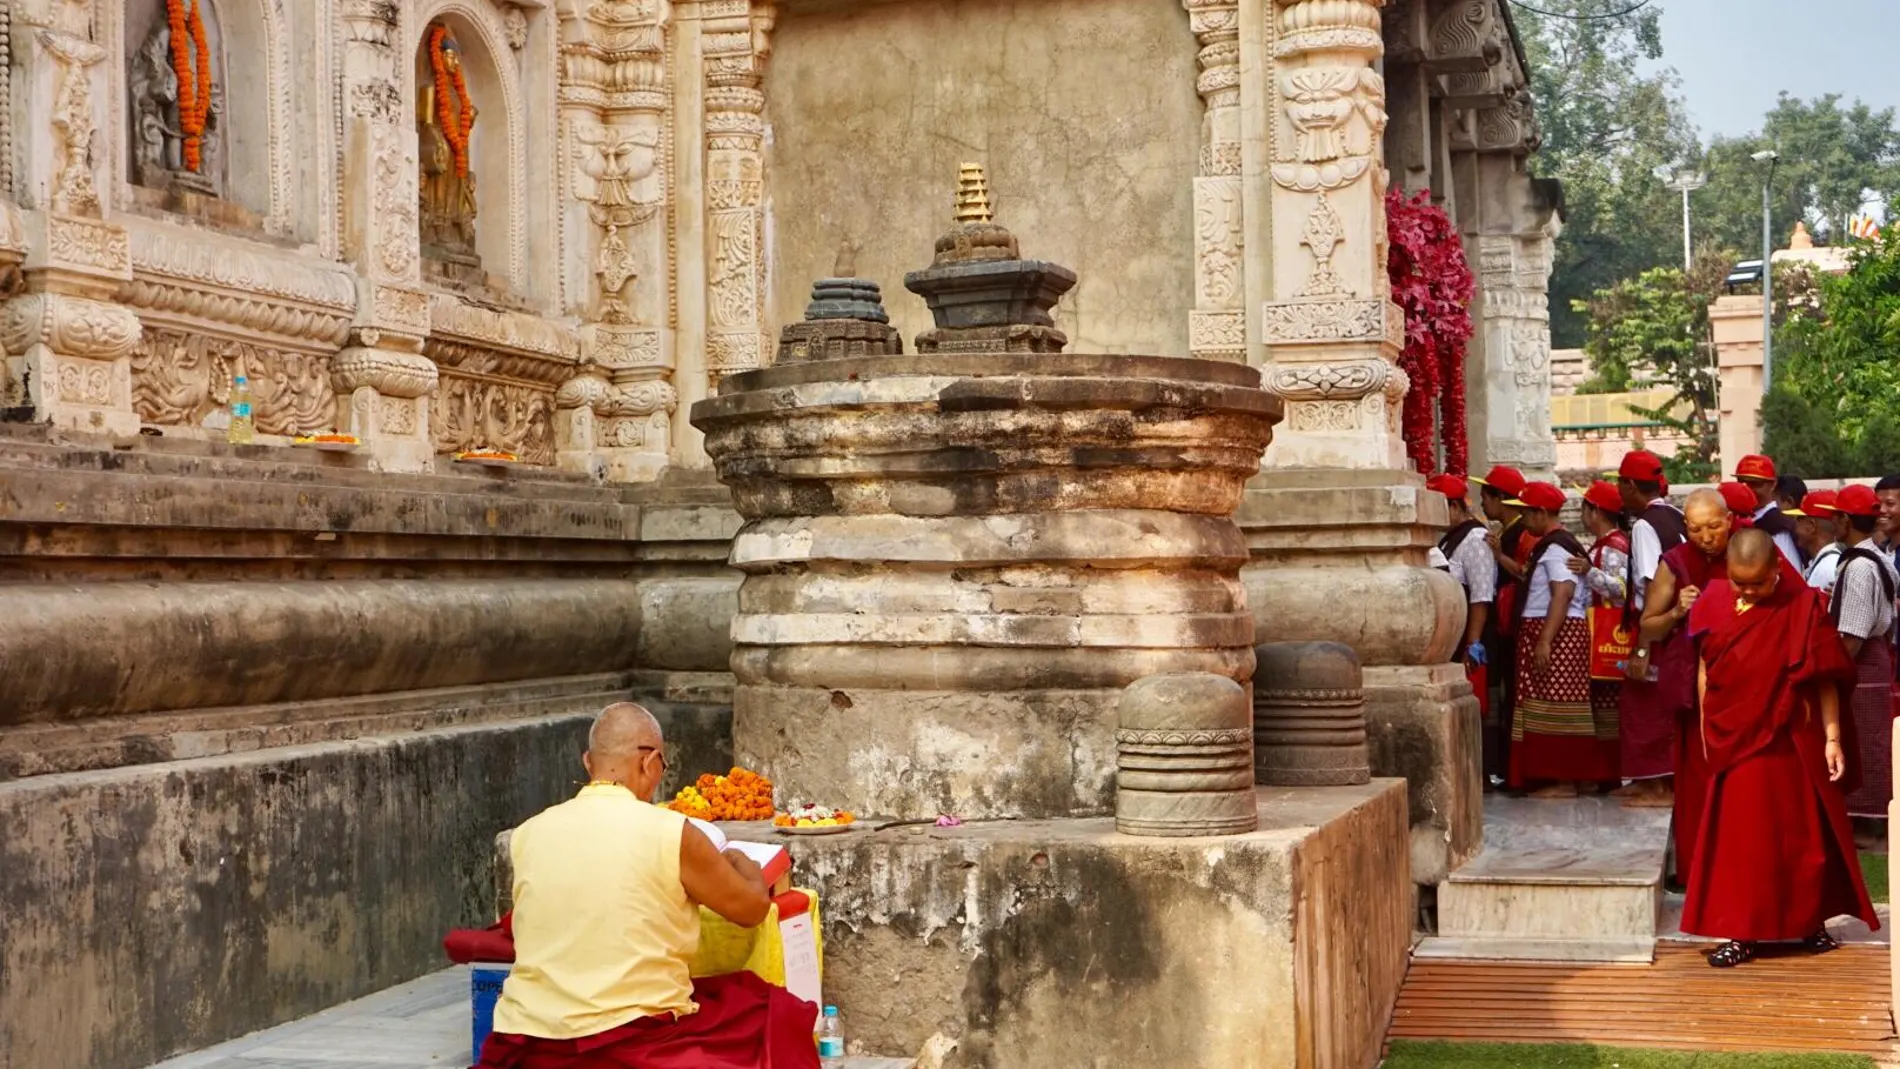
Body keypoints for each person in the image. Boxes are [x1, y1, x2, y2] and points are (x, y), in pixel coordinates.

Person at [478, 703, 820, 1069]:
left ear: (588, 763)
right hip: (635, 1033)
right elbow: (752, 910)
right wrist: (742, 862)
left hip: (532, 1035)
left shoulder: (529, 833)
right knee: (772, 1010)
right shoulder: (670, 831)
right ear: (650, 762)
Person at [1681, 529, 1877, 968]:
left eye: (1758, 582)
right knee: (1744, 841)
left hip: (1791, 739)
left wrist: (1832, 738)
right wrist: (1705, 727)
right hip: (1737, 739)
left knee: (1801, 837)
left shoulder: (1803, 605)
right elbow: (1706, 666)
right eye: (1740, 582)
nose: (1749, 591)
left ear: (1777, 570)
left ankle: (1808, 922)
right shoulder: (1713, 600)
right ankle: (1743, 931)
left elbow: (1824, 674)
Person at [1638, 490, 1734, 876]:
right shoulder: (1676, 563)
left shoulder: (1749, 549)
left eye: (1713, 526)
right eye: (1695, 529)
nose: (1706, 537)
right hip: (1697, 690)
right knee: (1698, 779)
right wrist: (1678, 609)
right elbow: (1648, 626)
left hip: (1744, 681)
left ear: (1729, 520)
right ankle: (1697, 868)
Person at [1507, 481, 1616, 797]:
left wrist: (1544, 640)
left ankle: (1562, 779)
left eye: (1526, 513)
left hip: (1556, 632)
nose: (1524, 520)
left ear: (1541, 513)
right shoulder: (1555, 545)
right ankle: (1564, 777)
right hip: (1555, 630)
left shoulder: (1556, 549)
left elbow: (1563, 593)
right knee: (1549, 701)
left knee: (1555, 704)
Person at [1617, 451, 1686, 806]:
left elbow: (1648, 583)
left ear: (1630, 485)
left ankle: (1658, 785)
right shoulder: (1676, 515)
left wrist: (1643, 643)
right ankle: (1655, 782)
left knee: (1644, 703)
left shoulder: (1645, 525)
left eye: (1619, 482)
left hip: (1658, 624)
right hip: (1680, 621)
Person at [1829, 484, 1899, 828]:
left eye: (1834, 518)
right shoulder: (1876, 557)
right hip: (1874, 658)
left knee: (1866, 742)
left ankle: (1871, 826)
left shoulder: (1859, 565)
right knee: (1869, 739)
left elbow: (1853, 635)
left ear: (1844, 520)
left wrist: (1831, 674)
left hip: (1860, 664)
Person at [1569, 480, 1630, 788]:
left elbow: (1621, 589)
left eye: (1585, 507)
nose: (1582, 513)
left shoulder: (1614, 547)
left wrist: (1588, 572)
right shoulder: (1604, 544)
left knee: (1607, 706)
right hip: (1598, 632)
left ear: (1596, 512)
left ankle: (1609, 773)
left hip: (1608, 633)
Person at [1474, 464, 1531, 782]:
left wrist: (1498, 557)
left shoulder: (1521, 533)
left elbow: (1525, 572)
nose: (1483, 504)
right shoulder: (1507, 532)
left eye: (1486, 497)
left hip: (1515, 624)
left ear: (1501, 499)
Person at [1432, 473, 1494, 721]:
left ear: (1454, 507)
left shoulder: (1475, 540)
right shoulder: (1451, 539)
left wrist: (1473, 643)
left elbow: (1481, 594)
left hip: (1469, 635)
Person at [1733, 454, 1802, 568]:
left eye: (1755, 483)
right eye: (1741, 482)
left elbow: (1790, 573)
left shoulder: (1778, 526)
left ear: (1773, 484)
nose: (1747, 489)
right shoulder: (1739, 518)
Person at [1789, 490, 1845, 597]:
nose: (1795, 527)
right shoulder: (1825, 562)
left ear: (1811, 526)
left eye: (1799, 519)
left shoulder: (1828, 567)